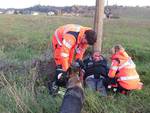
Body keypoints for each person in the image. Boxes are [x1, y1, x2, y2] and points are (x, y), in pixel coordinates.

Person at [50, 24, 97, 94]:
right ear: (84, 36)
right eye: (85, 42)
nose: (85, 44)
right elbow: (64, 55)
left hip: (72, 41)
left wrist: (79, 59)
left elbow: (81, 50)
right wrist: (66, 70)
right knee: (61, 65)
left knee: (69, 61)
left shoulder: (88, 36)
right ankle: (55, 88)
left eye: (87, 43)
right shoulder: (71, 37)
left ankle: (64, 84)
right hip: (59, 39)